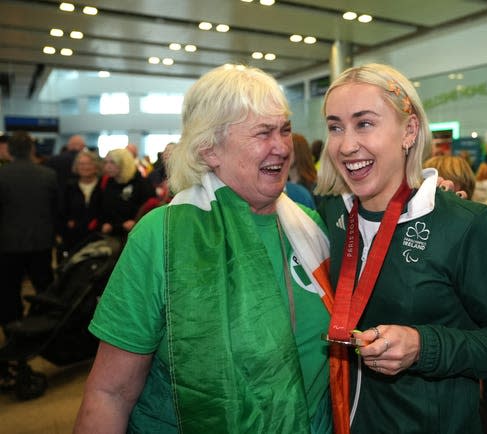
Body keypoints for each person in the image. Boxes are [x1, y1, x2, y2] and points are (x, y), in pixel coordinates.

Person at [73, 65, 342, 433]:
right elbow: (110, 392)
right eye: (263, 133)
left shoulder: (311, 225)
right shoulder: (161, 237)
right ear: (209, 149)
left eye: (284, 130)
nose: (281, 147)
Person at [315, 63, 487, 434]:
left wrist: (425, 346)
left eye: (364, 123)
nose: (346, 144)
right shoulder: (330, 216)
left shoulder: (466, 224)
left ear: (409, 130)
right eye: (335, 126)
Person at [0, 131, 58, 331]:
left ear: (8, 150)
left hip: (7, 244)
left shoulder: (3, 175)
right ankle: (45, 327)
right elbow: (56, 210)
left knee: (8, 290)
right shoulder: (48, 175)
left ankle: (11, 329)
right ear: (32, 149)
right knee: (45, 289)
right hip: (41, 242)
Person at [98, 148, 155, 239]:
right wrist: (103, 224)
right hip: (111, 233)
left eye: (112, 162)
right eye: (106, 162)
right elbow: (100, 207)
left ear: (124, 163)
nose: (107, 166)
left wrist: (136, 221)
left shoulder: (141, 183)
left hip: (135, 233)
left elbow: (150, 208)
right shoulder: (107, 182)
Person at [60, 150, 103, 253]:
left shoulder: (103, 185)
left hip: (98, 238)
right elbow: (63, 211)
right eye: (81, 164)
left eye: (89, 163)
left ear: (96, 166)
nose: (85, 167)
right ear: (76, 166)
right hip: (74, 239)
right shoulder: (70, 186)